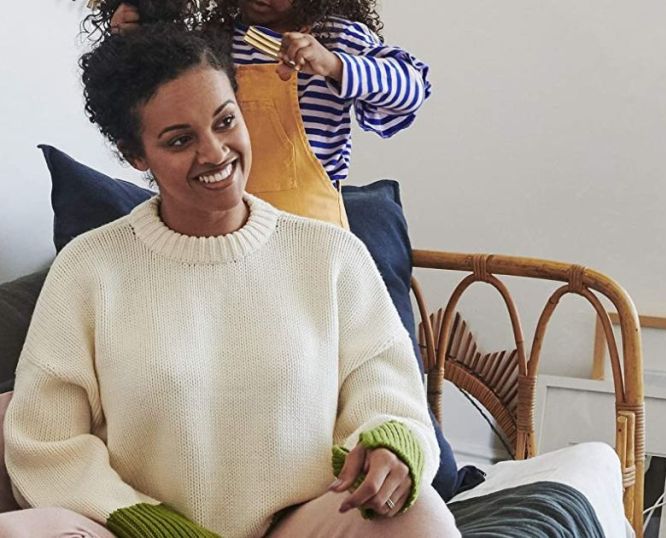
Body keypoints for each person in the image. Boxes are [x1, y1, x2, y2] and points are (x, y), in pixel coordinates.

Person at [0, 23, 458, 538]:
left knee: (421, 516)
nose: (215, 152)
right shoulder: (88, 270)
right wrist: (144, 522)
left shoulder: (330, 254)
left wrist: (389, 440)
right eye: (179, 140)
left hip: (299, 525)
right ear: (136, 156)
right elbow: (43, 441)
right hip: (136, 531)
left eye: (225, 121)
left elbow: (384, 382)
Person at [96, 0, 431, 229]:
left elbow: (412, 89)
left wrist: (334, 65)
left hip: (312, 228)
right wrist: (137, 34)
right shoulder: (212, 42)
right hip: (222, 228)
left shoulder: (335, 37)